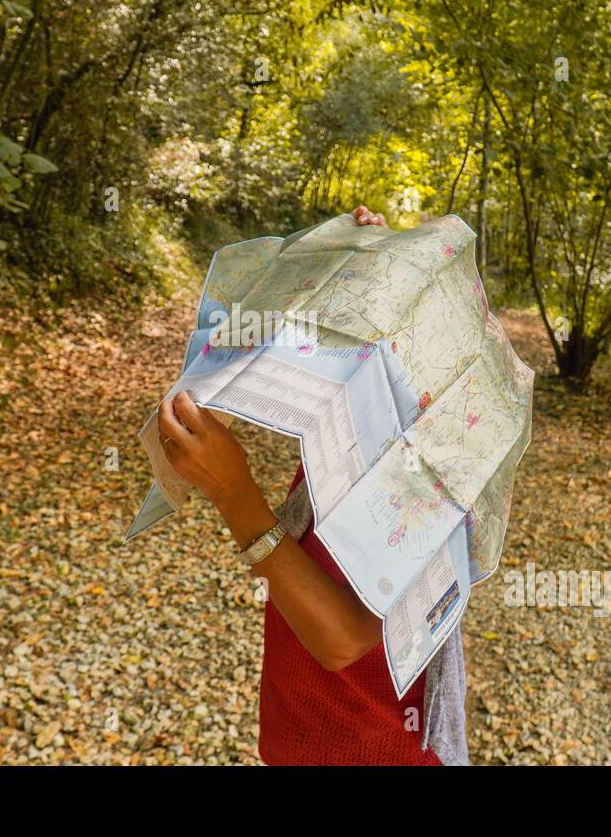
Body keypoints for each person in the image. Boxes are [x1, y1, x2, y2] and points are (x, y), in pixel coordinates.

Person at [156, 205, 468, 766]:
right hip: (299, 738)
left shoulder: (437, 447)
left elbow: (345, 639)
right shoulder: (355, 403)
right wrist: (337, 257)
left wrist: (235, 494)